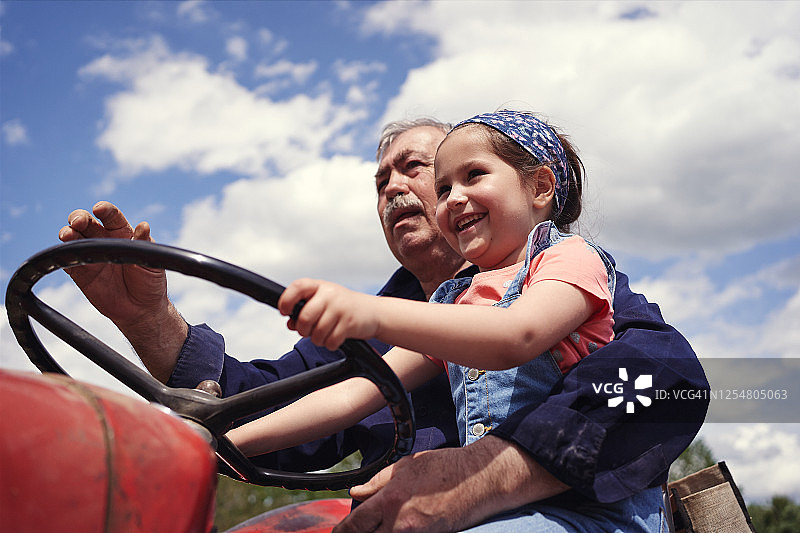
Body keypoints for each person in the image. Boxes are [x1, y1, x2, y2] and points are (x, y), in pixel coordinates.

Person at [59, 116, 709, 533]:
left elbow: (667, 381)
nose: (397, 186)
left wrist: (481, 476)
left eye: (421, 169)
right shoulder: (395, 329)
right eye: (380, 179)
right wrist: (152, 332)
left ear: (529, 189)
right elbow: (288, 403)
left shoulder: (564, 272)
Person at [225, 110, 661, 531]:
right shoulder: (456, 305)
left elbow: (515, 336)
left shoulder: (568, 260)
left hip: (586, 510)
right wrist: (223, 445)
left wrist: (370, 314)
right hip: (498, 512)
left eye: (473, 176)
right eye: (444, 187)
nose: (453, 198)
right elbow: (355, 394)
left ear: (540, 186)